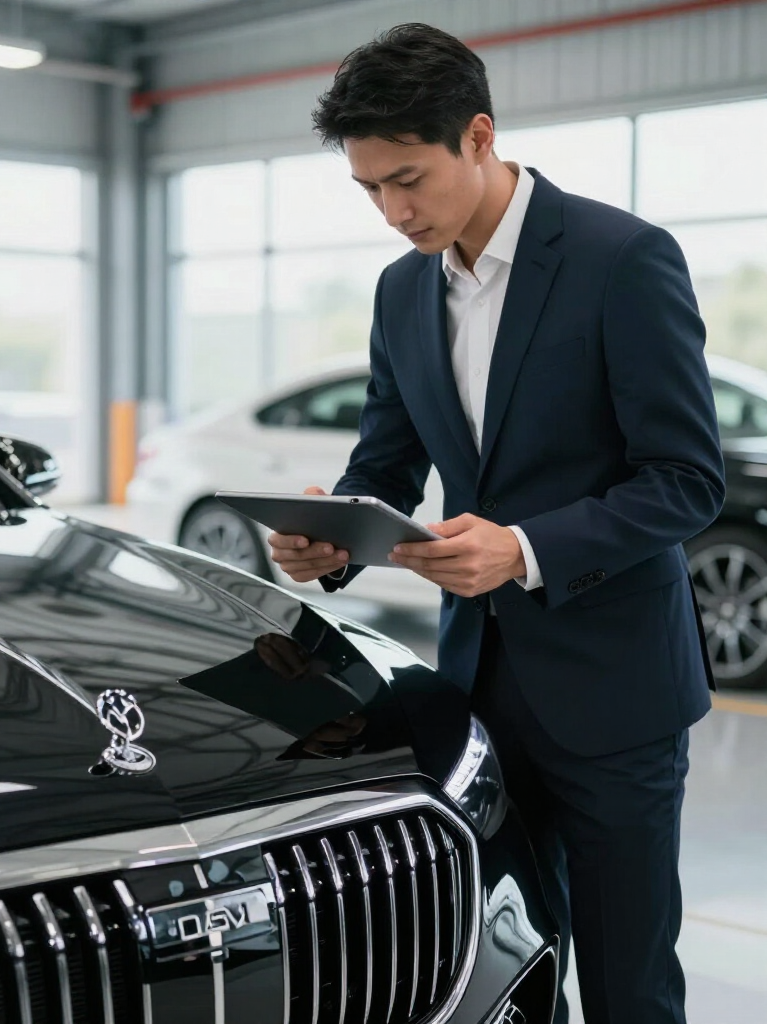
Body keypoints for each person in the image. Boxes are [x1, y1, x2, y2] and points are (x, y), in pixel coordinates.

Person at [267, 23, 724, 1024]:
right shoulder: (399, 294)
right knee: (511, 975)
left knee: (626, 986)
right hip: (476, 693)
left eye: (408, 179)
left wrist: (524, 548)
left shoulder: (621, 259)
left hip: (615, 696)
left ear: (478, 137)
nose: (392, 212)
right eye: (368, 189)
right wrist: (331, 541)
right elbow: (386, 462)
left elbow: (688, 480)